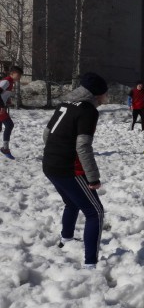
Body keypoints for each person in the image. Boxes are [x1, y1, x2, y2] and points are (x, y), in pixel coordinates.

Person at [42, 72, 108, 269]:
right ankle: (90, 264)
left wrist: (56, 153)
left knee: (71, 203)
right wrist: (93, 177)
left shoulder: (64, 104)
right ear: (97, 95)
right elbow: (83, 146)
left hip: (49, 165)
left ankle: (67, 240)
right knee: (95, 212)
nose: (106, 98)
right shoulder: (88, 111)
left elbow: (46, 134)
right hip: (68, 169)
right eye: (105, 94)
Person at [0, 66, 24, 159]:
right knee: (9, 125)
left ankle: (5, 148)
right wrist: (2, 106)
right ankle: (5, 148)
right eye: (18, 75)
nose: (19, 77)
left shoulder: (10, 82)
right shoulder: (7, 81)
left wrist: (7, 101)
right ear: (12, 73)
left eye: (20, 75)